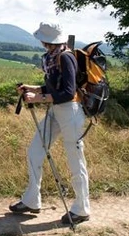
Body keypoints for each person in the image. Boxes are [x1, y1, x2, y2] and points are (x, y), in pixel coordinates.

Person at [10, 22, 91, 225]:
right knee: (35, 151)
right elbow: (54, 86)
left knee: (75, 160)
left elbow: (67, 92)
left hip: (70, 113)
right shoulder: (53, 57)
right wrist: (36, 89)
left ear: (47, 41)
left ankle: (81, 209)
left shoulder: (65, 57)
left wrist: (38, 98)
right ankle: (31, 200)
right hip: (56, 111)